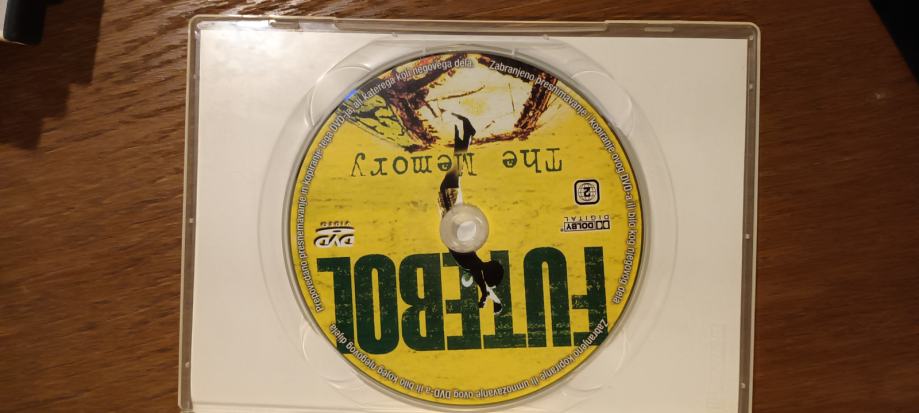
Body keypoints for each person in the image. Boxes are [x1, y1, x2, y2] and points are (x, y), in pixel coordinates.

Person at [438, 113, 504, 313]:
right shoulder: (473, 265)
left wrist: (490, 297)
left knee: (455, 169)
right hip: (451, 208)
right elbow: (480, 280)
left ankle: (465, 135)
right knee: (455, 171)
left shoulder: (475, 265)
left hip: (449, 209)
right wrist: (484, 294)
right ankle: (466, 134)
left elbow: (480, 279)